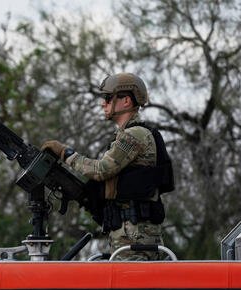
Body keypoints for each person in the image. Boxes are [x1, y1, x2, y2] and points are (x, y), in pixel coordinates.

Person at [42, 73, 174, 260]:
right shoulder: (128, 135)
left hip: (133, 237)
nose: (102, 103)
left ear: (126, 101)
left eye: (107, 98)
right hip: (131, 234)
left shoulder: (134, 135)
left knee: (130, 288)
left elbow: (101, 170)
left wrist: (65, 153)